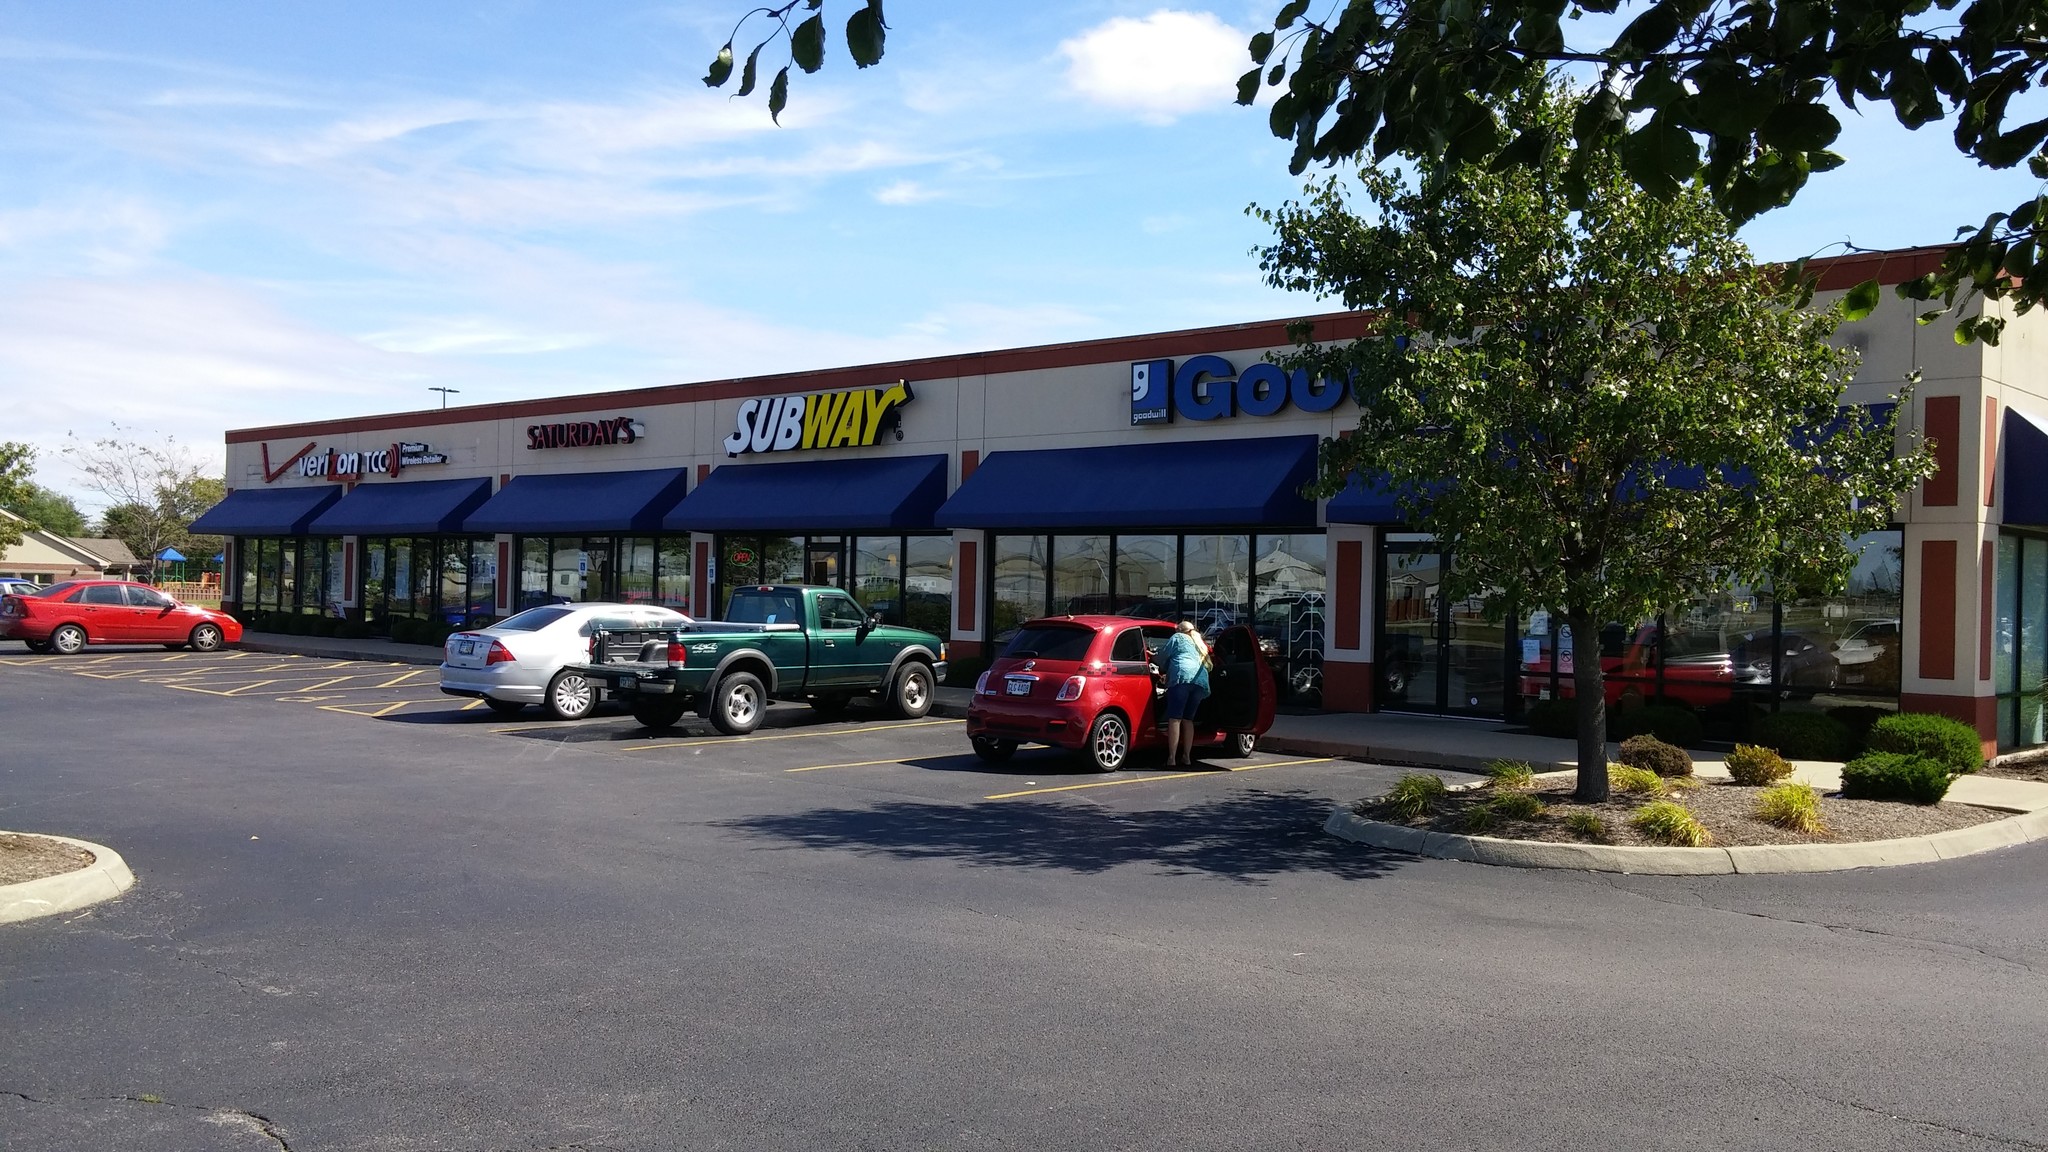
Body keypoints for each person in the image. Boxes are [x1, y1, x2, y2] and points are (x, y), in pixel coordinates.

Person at [1159, 619, 1212, 766]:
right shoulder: (1199, 642)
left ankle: (1171, 758)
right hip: (1200, 682)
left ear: (1179, 630)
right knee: (1188, 719)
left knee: (1175, 718)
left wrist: (1155, 659)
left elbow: (1163, 656)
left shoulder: (1177, 637)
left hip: (1182, 677)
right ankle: (1187, 757)